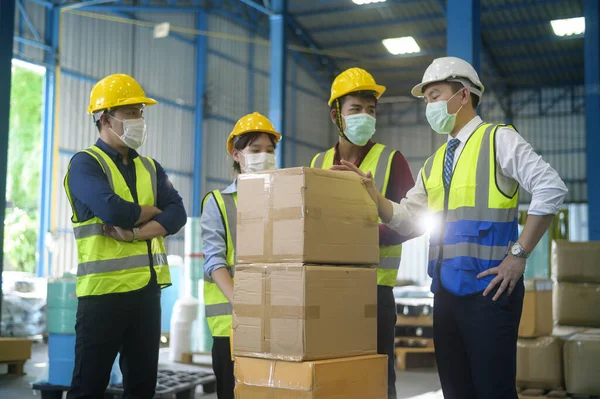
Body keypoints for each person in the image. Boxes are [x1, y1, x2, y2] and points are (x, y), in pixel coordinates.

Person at [334, 57, 568, 399]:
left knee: (493, 391)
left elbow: (551, 187)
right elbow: (408, 217)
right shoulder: (434, 163)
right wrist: (373, 193)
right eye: (426, 98)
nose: (428, 105)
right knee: (456, 392)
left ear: (462, 95)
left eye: (434, 95)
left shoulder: (497, 140)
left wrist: (519, 255)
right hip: (445, 294)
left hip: (490, 292)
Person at [63, 73, 187, 398]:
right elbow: (113, 211)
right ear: (105, 119)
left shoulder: (151, 167)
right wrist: (151, 210)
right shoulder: (85, 164)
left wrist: (135, 234)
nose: (140, 121)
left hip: (147, 294)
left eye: (141, 113)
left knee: (142, 388)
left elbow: (178, 214)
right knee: (88, 387)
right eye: (132, 113)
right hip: (102, 297)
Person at [310, 67, 416, 399]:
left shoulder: (392, 161)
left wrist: (361, 238)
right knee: (334, 375)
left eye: (371, 110)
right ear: (336, 115)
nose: (365, 117)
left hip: (375, 292)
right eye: (355, 109)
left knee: (377, 380)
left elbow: (412, 224)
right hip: (328, 289)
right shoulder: (318, 162)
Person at [200, 112, 282, 399]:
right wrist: (244, 304)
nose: (264, 156)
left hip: (278, 322)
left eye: (270, 151)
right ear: (237, 155)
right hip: (232, 327)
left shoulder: (285, 199)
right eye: (255, 150)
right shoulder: (218, 203)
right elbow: (214, 262)